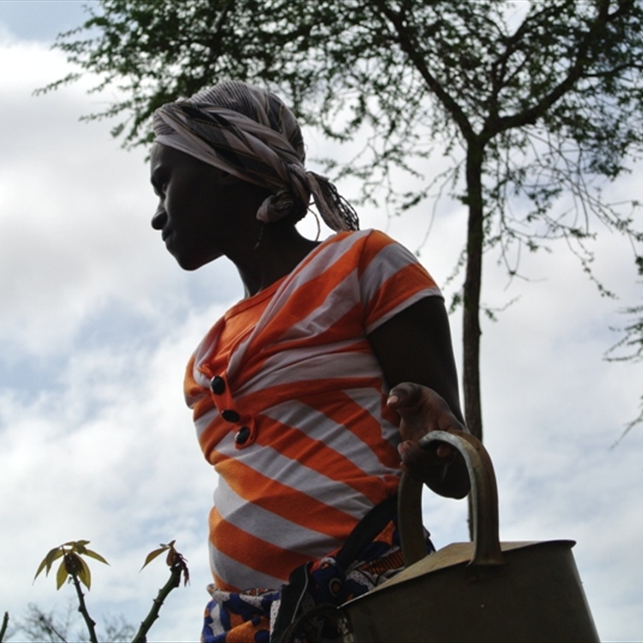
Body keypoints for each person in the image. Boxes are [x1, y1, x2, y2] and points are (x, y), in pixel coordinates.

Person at [149, 80, 470, 642]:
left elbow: (457, 471)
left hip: (363, 604)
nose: (157, 216)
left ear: (225, 167)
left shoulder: (364, 265)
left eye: (163, 184)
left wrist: (437, 448)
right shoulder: (208, 351)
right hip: (244, 625)